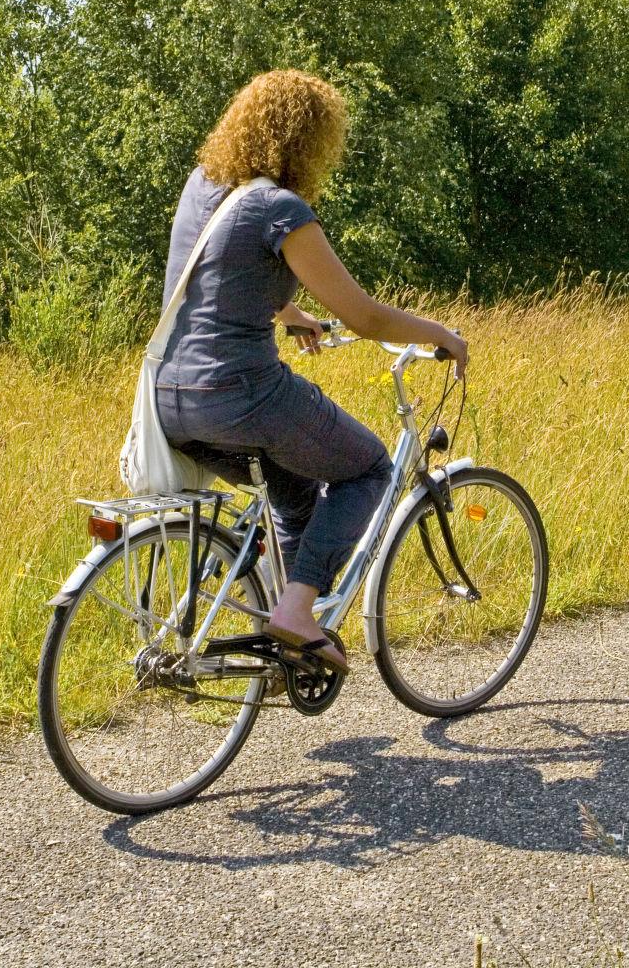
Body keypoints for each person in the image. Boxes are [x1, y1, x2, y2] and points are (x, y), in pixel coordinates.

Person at [154, 70, 467, 674]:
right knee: (367, 467)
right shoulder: (280, 208)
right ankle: (296, 615)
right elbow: (363, 316)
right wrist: (439, 334)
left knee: (296, 496)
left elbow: (210, 278)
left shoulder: (205, 186)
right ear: (310, 141)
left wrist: (287, 309)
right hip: (240, 394)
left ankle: (285, 649)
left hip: (170, 398)